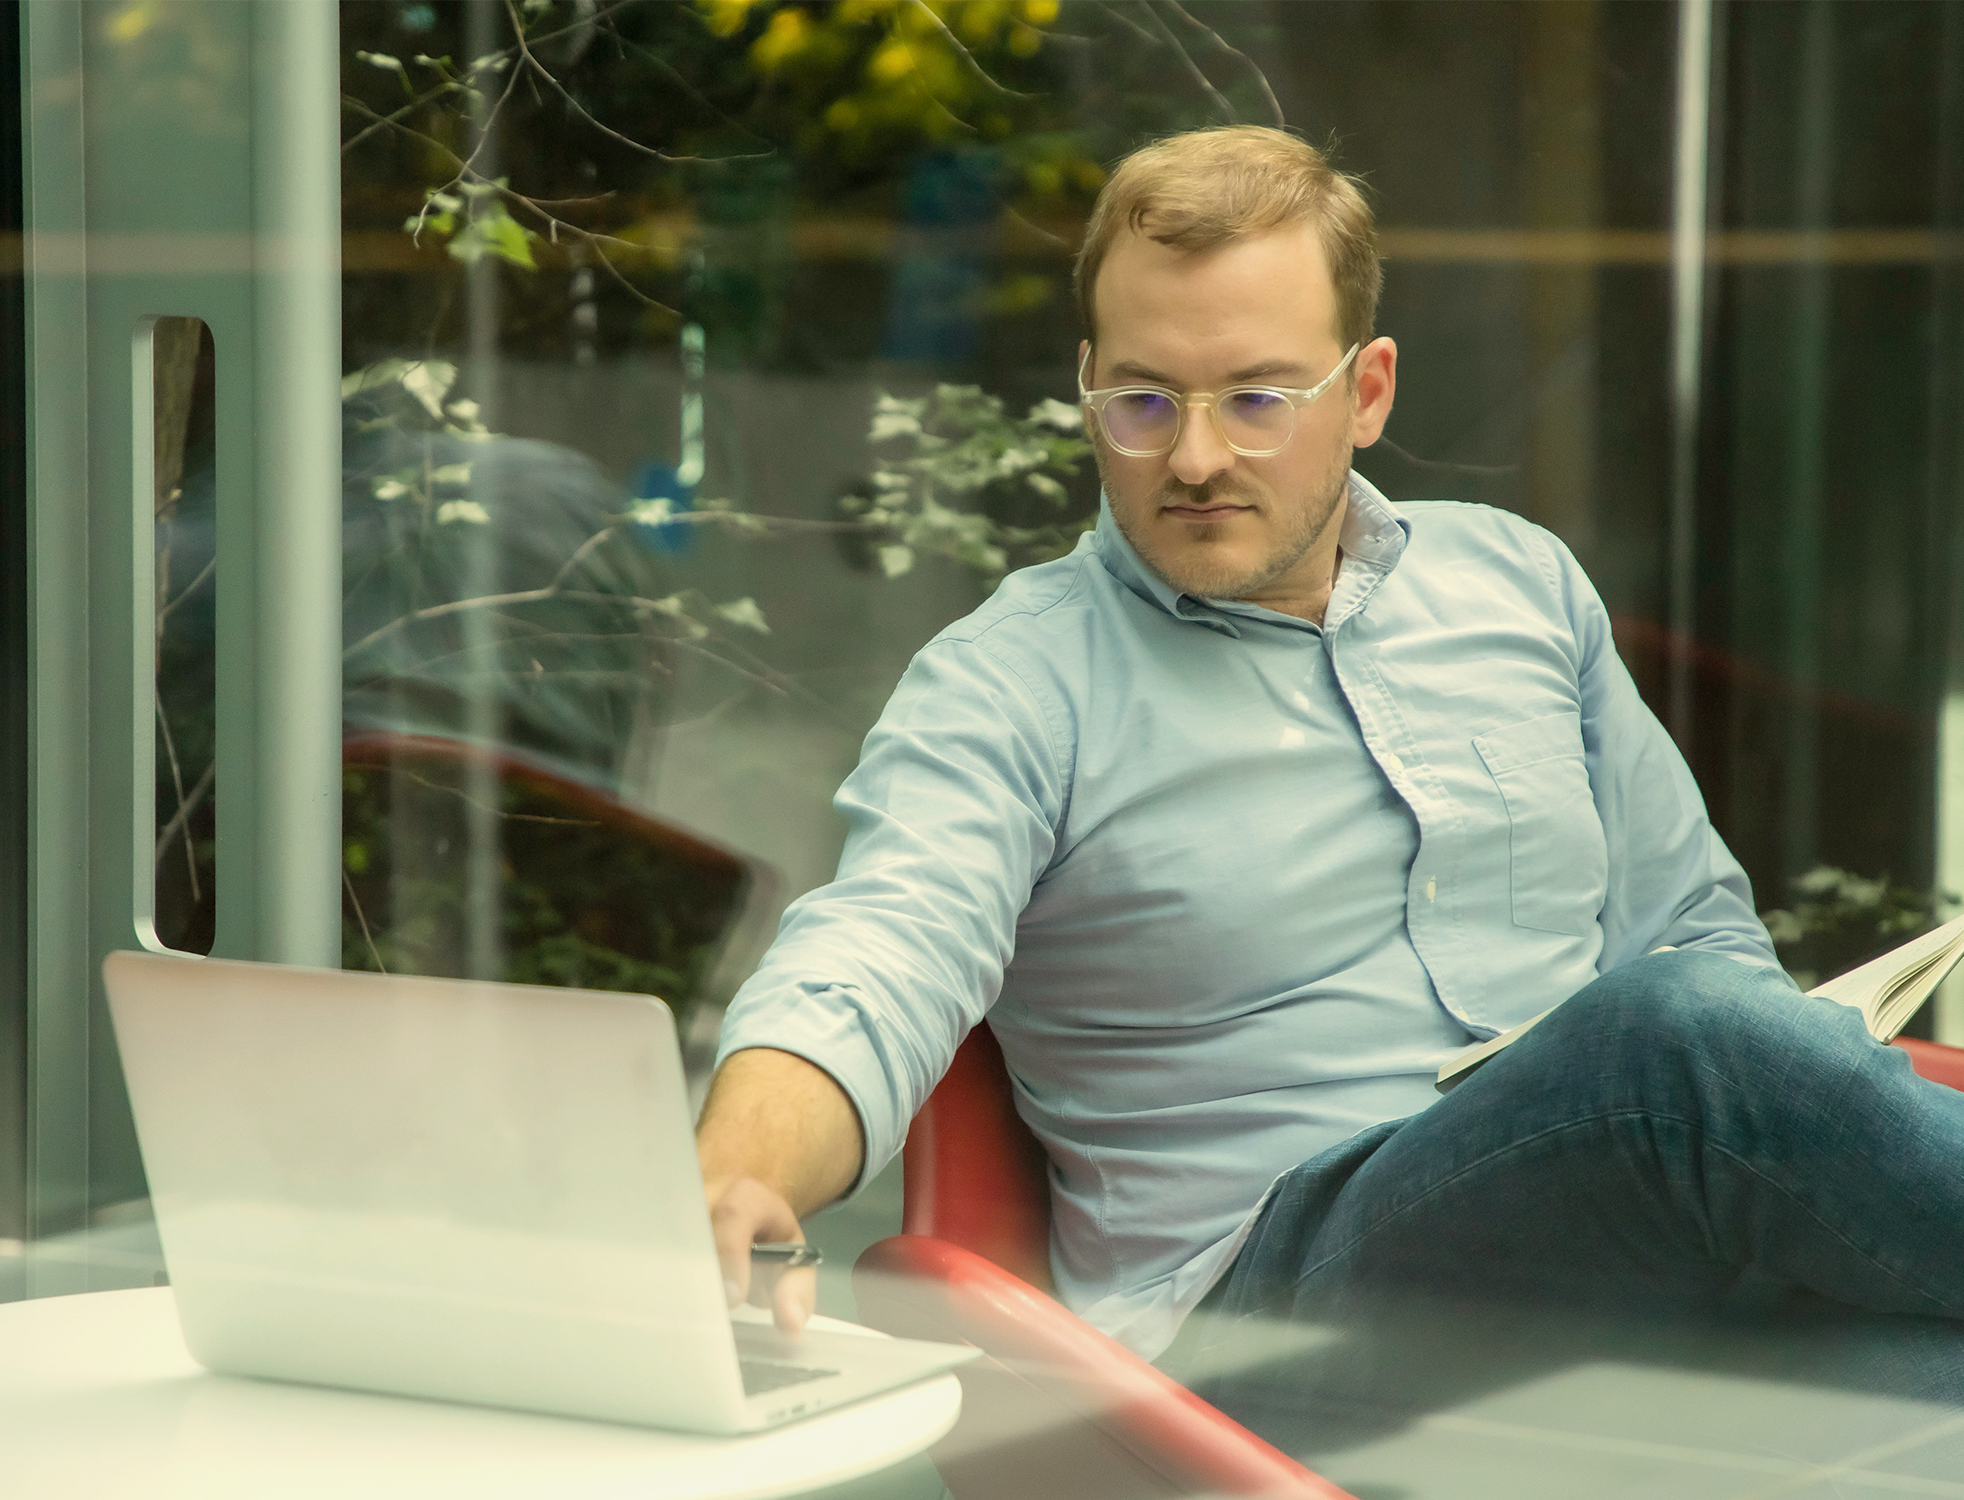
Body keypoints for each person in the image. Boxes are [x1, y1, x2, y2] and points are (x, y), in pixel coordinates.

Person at [694, 125, 1964, 1451]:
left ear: (1367, 392)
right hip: (1270, 1337)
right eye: (1142, 401)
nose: (1192, 458)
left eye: (1256, 399)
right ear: (1085, 386)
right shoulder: (1010, 684)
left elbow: (1696, 931)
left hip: (1625, 1294)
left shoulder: (1521, 587)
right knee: (1673, 1042)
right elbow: (874, 958)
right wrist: (738, 1175)